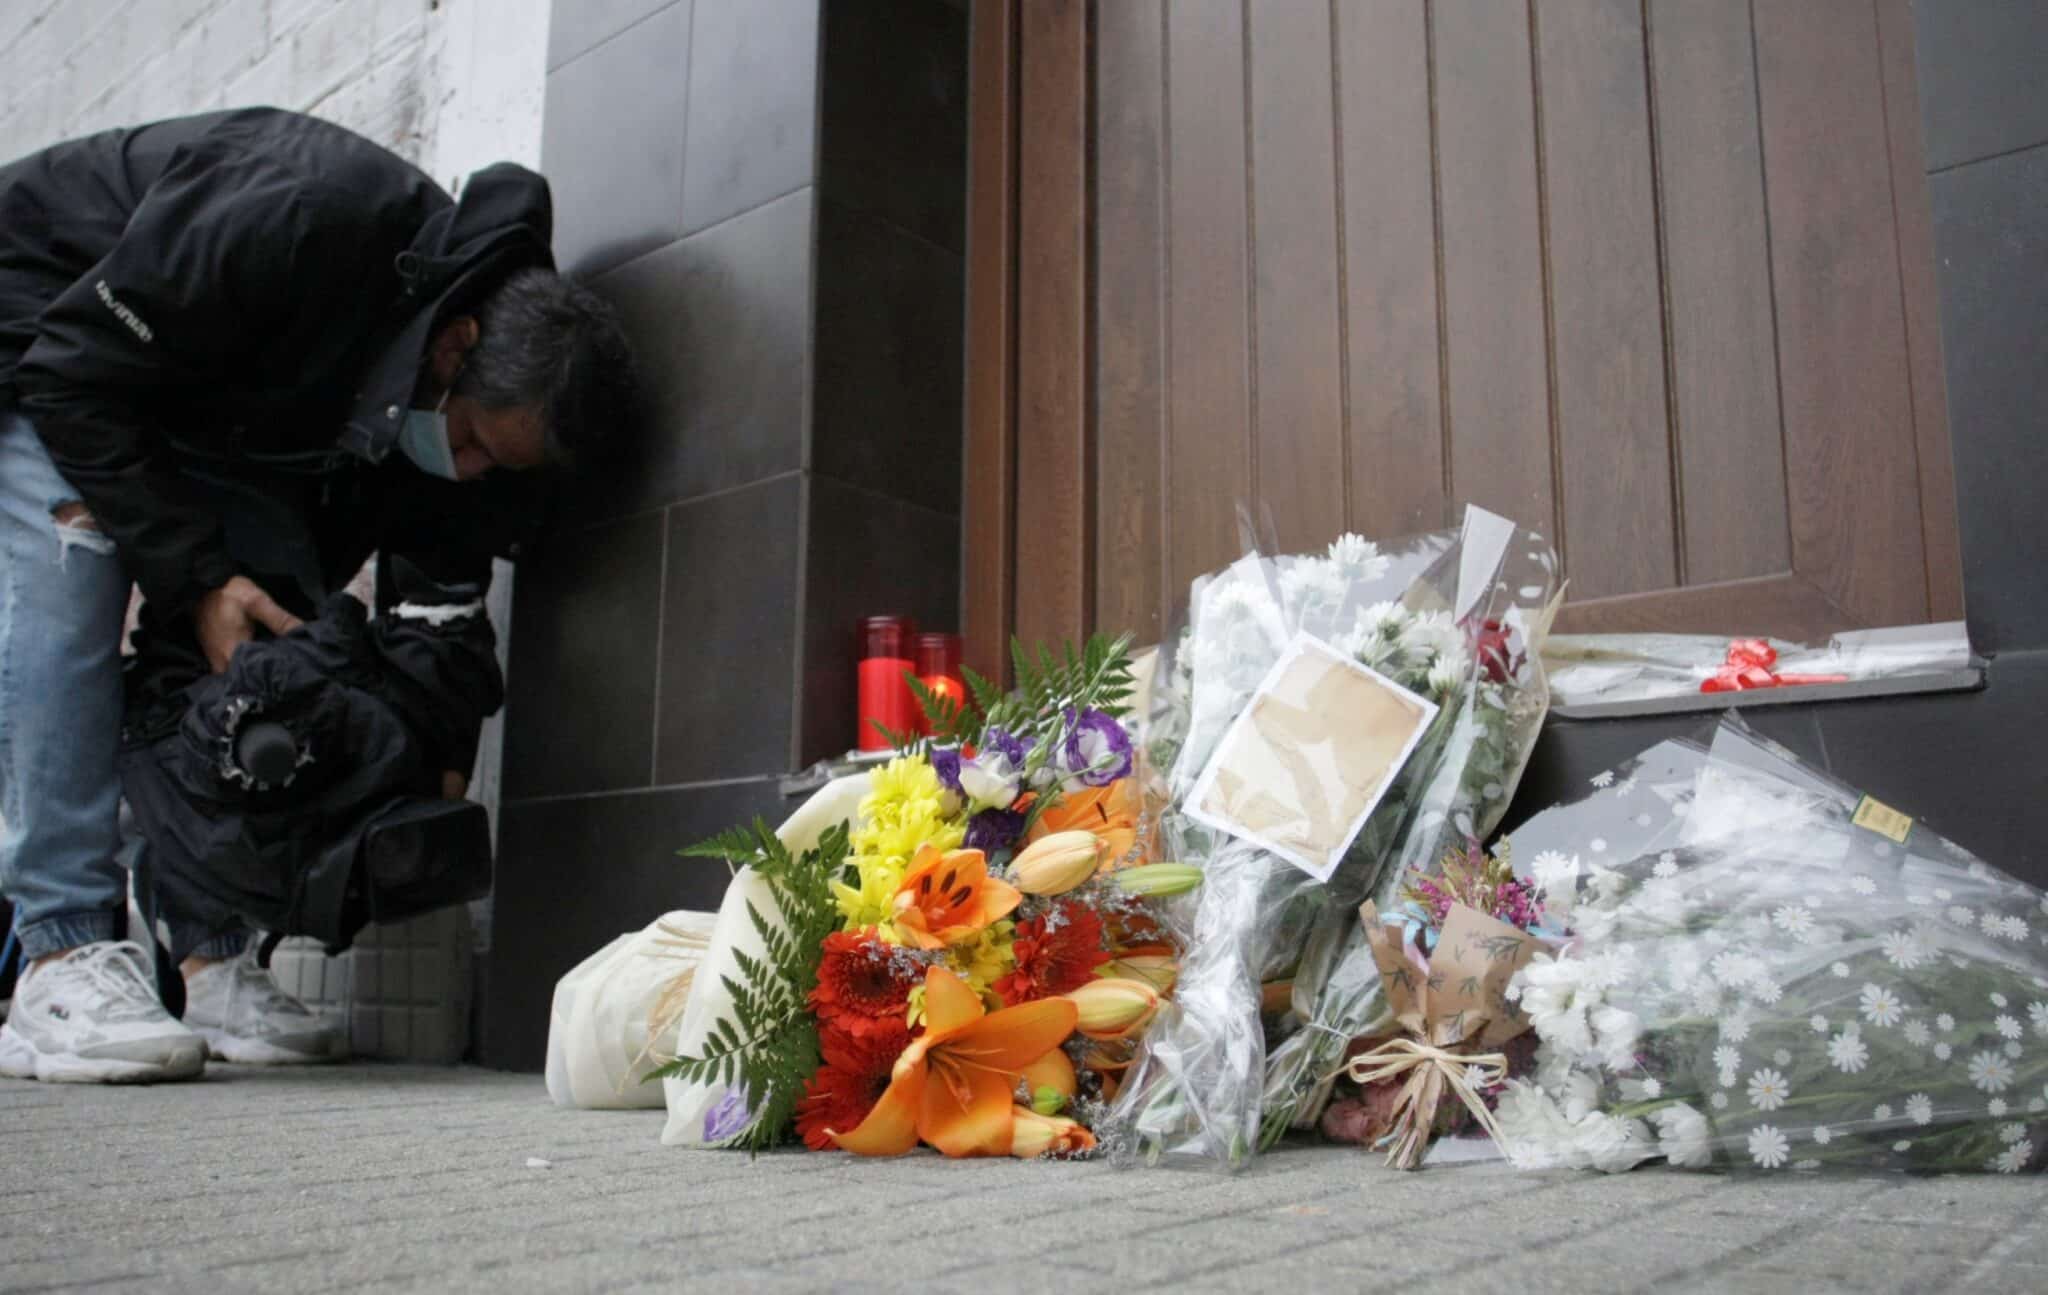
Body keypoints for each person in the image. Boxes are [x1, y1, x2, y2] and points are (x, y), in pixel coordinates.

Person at [0, 108, 635, 1082]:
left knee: (256, 658)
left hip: (193, 410)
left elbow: (447, 604)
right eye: (466, 439)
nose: (464, 470)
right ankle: (61, 946)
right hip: (43, 334)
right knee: (75, 554)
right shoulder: (299, 214)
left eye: (491, 465)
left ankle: (207, 957)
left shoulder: (461, 420)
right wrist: (198, 574)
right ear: (454, 345)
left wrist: (441, 750)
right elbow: (75, 370)